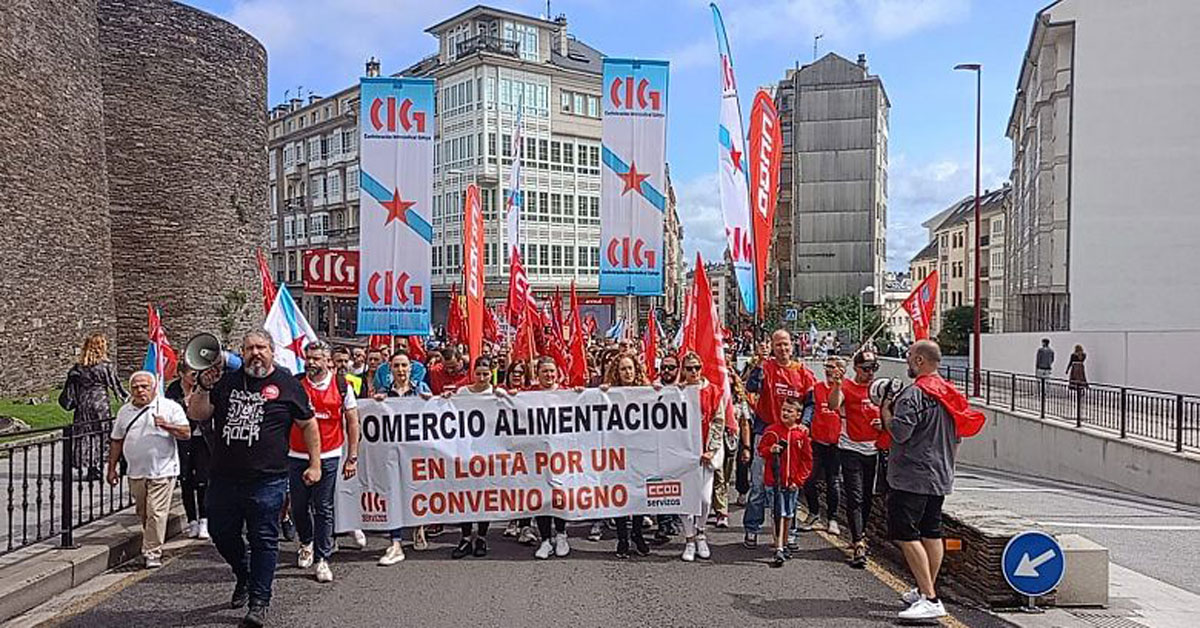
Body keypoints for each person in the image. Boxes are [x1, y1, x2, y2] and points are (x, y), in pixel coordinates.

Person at [186, 329, 321, 628]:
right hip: (223, 478)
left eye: (261, 347)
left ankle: (259, 602)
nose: (255, 353)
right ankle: (243, 573)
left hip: (268, 480)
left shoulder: (287, 384)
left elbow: (309, 425)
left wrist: (315, 463)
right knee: (221, 534)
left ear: (272, 351)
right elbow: (198, 414)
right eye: (249, 348)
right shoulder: (226, 382)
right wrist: (203, 386)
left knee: (264, 539)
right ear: (242, 353)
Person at [881, 339, 981, 621]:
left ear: (920, 361)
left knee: (905, 533)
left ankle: (930, 598)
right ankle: (925, 588)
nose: (907, 361)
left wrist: (886, 410)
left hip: (912, 476)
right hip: (940, 473)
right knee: (931, 532)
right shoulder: (950, 392)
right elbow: (959, 434)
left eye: (910, 356)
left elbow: (899, 433)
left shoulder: (914, 395)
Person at [289, 342, 360, 583]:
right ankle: (306, 541)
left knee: (323, 508)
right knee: (298, 507)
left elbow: (352, 422)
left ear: (328, 360)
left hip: (329, 455)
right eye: (308, 357)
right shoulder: (296, 385)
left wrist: (352, 457)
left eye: (317, 358)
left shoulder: (342, 386)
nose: (311, 362)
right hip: (297, 454)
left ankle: (323, 558)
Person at [107, 371, 191, 568]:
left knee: (156, 512)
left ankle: (152, 552)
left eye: (144, 386)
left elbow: (186, 433)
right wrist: (112, 468)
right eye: (135, 387)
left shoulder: (169, 407)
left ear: (154, 388)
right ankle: (152, 540)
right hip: (136, 471)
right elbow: (116, 440)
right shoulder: (125, 411)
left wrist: (166, 425)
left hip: (163, 469)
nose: (140, 390)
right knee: (144, 512)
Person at [743, 329, 816, 548]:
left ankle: (787, 533)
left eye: (785, 344)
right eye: (778, 345)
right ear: (772, 348)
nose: (782, 349)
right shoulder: (766, 368)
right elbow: (751, 388)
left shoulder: (803, 372)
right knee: (758, 486)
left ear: (792, 345)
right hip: (766, 432)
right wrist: (757, 365)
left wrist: (804, 424)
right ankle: (752, 528)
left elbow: (810, 403)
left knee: (789, 486)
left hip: (793, 437)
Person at [373, 350, 432, 566]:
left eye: (404, 366)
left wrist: (430, 401)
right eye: (396, 366)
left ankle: (418, 527)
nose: (400, 370)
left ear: (410, 368)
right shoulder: (383, 392)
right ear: (391, 370)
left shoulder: (421, 390)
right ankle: (395, 541)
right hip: (392, 453)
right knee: (394, 494)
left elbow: (436, 414)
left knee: (416, 490)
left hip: (416, 452)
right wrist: (376, 403)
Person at [829, 350, 883, 568]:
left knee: (867, 497)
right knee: (855, 496)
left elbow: (888, 412)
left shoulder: (879, 389)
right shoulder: (848, 387)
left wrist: (884, 424)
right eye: (866, 369)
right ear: (856, 368)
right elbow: (833, 405)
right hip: (850, 447)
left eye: (873, 369)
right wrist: (837, 384)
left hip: (873, 448)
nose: (870, 373)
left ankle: (861, 533)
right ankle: (858, 540)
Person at [516, 356, 571, 560]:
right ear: (537, 375)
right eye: (544, 372)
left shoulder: (567, 392)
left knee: (559, 494)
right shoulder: (528, 395)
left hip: (561, 453)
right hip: (536, 454)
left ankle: (562, 535)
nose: (548, 375)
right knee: (540, 495)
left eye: (551, 371)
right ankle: (546, 540)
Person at [444, 356, 498, 559]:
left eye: (486, 374)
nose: (482, 377)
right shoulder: (462, 393)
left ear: (491, 373)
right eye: (478, 374)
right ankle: (466, 537)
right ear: (472, 373)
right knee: (465, 495)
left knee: (485, 496)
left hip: (488, 451)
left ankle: (482, 537)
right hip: (465, 450)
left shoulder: (496, 393)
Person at [599, 354, 652, 558]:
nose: (627, 372)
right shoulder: (608, 394)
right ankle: (622, 537)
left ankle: (637, 534)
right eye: (623, 369)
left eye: (630, 368)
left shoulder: (646, 393)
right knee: (619, 494)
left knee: (639, 493)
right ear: (617, 372)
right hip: (617, 453)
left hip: (640, 452)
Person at [678, 351, 727, 562]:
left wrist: (712, 449)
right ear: (683, 370)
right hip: (682, 454)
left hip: (705, 454)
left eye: (697, 367)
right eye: (689, 368)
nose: (694, 372)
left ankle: (700, 532)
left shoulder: (714, 391)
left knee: (705, 498)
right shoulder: (675, 392)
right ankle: (689, 538)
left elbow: (719, 422)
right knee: (682, 499)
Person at [59, 332, 128, 481]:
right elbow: (116, 385)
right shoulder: (105, 367)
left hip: (83, 403)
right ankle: (100, 465)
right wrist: (127, 398)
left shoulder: (78, 368)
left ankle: (90, 466)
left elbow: (71, 386)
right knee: (102, 433)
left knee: (85, 434)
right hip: (100, 403)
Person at [757, 395, 813, 568]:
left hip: (792, 482)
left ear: (798, 414)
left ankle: (785, 540)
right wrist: (770, 450)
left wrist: (799, 480)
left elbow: (807, 460)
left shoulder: (800, 435)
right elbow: (761, 450)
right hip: (774, 481)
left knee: (788, 514)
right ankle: (778, 545)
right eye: (783, 410)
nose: (785, 413)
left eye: (789, 411)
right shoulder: (772, 430)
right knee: (777, 513)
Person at [800, 356, 845, 535]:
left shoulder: (844, 389)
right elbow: (809, 409)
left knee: (833, 481)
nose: (829, 370)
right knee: (809, 479)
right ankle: (813, 512)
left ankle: (832, 518)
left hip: (836, 443)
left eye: (833, 367)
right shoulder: (816, 388)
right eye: (827, 366)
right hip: (817, 441)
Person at [165, 364, 211, 540]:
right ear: (181, 374)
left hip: (203, 439)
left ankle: (204, 521)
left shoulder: (204, 387)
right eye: (192, 374)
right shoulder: (174, 390)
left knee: (203, 480)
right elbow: (170, 410)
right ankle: (192, 520)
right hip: (183, 440)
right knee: (186, 480)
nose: (195, 377)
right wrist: (183, 404)